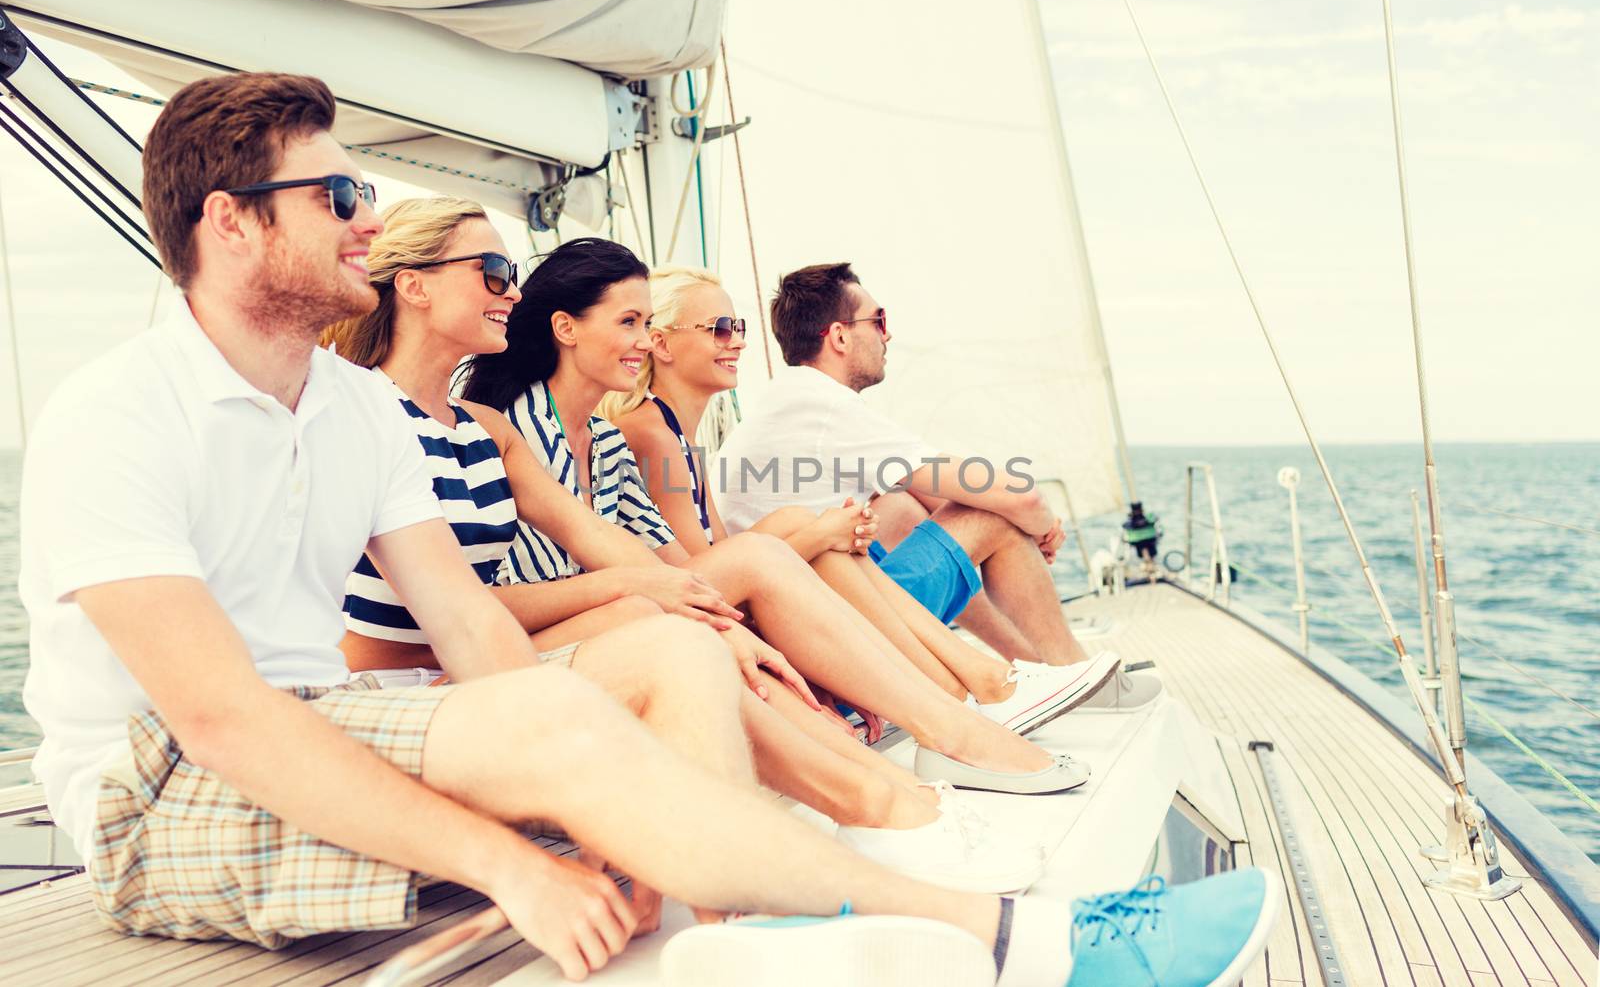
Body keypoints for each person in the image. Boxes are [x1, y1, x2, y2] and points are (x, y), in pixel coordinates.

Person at [17, 70, 1277, 987]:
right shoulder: (117, 418)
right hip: (157, 783)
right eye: (337, 190)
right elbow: (224, 720)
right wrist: (516, 854)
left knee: (666, 653)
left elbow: (472, 630)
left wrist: (583, 761)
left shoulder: (352, 409)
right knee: (592, 694)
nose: (364, 215)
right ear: (228, 220)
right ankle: (1013, 936)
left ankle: (731, 940)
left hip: (326, 722)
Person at [321, 196, 1045, 892]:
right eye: (494, 274)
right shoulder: (364, 414)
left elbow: (606, 544)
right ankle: (884, 793)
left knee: (699, 599)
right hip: (409, 689)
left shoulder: (484, 427)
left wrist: (701, 608)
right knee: (665, 611)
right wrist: (650, 594)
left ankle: (906, 778)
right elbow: (455, 608)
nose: (512, 294)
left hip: (484, 661)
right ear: (412, 286)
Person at [458, 238, 1100, 794]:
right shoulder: (527, 432)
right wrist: (806, 536)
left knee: (823, 532)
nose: (642, 341)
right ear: (567, 328)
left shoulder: (604, 443)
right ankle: (984, 694)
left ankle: (978, 692)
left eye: (647, 324)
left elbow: (686, 571)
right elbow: (491, 601)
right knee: (815, 539)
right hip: (550, 644)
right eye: (631, 324)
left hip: (640, 615)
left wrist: (796, 543)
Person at [604, 266, 1113, 734]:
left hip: (793, 603)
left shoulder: (689, 435)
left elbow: (916, 485)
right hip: (781, 618)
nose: (736, 341)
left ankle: (1004, 677)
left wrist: (816, 529)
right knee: (964, 520)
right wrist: (1037, 519)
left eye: (738, 327)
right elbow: (702, 576)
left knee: (883, 511)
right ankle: (1040, 675)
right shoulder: (664, 435)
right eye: (719, 329)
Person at [716, 262, 1162, 710]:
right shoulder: (827, 409)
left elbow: (935, 486)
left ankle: (1032, 670)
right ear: (839, 336)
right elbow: (1015, 494)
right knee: (990, 516)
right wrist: (1042, 524)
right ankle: (1075, 676)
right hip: (825, 650)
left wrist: (1021, 511)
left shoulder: (789, 401)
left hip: (795, 623)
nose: (887, 336)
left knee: (901, 509)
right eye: (879, 321)